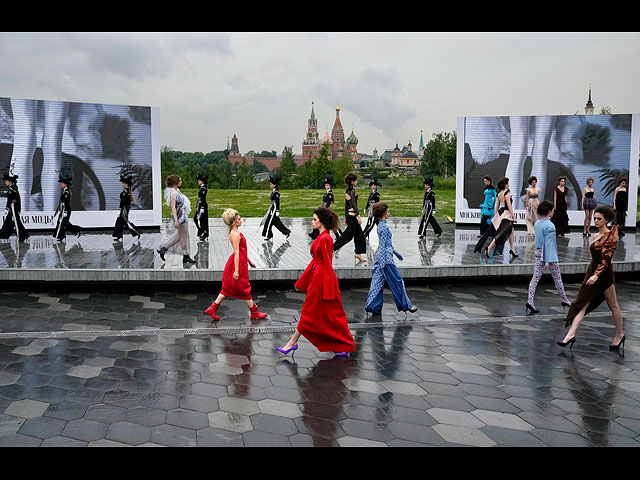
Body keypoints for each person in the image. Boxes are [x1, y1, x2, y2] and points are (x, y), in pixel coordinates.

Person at [276, 206, 355, 358]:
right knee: (323, 315)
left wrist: (327, 286)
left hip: (321, 280)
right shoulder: (323, 237)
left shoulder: (325, 239)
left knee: (313, 313)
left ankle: (292, 344)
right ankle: (338, 345)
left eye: (314, 220)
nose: (312, 222)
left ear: (322, 222)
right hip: (318, 277)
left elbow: (327, 263)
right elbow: (320, 263)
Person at [559, 205, 624, 351]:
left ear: (606, 220)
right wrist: (592, 274)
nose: (595, 221)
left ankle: (619, 335)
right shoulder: (595, 236)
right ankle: (570, 334)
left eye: (599, 219)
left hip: (604, 275)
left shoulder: (611, 236)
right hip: (592, 273)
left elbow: (605, 260)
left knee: (613, 306)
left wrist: (596, 275)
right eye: (594, 218)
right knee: (581, 303)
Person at [205, 208, 268, 321]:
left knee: (228, 289)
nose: (241, 220)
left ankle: (212, 308)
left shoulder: (236, 233)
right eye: (239, 219)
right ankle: (254, 312)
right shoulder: (234, 235)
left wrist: (249, 261)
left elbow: (241, 251)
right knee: (243, 288)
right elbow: (237, 252)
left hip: (240, 263)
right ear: (234, 222)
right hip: (237, 265)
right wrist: (236, 270)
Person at [364, 202, 418, 315]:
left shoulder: (380, 226)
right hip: (386, 260)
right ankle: (406, 305)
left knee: (377, 282)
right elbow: (384, 246)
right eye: (388, 211)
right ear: (383, 214)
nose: (389, 213)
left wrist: (395, 253)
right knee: (397, 281)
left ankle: (372, 306)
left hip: (381, 258)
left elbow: (385, 245)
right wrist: (385, 262)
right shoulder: (384, 228)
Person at [525, 200, 571, 314]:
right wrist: (547, 260)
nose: (554, 212)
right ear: (549, 211)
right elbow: (549, 244)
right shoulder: (550, 225)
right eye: (552, 210)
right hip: (549, 256)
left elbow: (540, 241)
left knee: (535, 279)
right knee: (557, 279)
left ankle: (530, 301)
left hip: (538, 253)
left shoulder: (537, 224)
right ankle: (564, 300)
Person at [157, 174, 196, 265]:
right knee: (184, 237)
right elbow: (173, 207)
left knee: (179, 237)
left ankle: (164, 249)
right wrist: (176, 220)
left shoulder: (176, 191)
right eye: (180, 181)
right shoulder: (174, 193)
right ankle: (185, 255)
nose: (181, 182)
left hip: (181, 216)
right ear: (175, 182)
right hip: (180, 217)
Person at [475, 177, 518, 259]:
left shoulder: (499, 194)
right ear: (505, 185)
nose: (509, 184)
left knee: (511, 230)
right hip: (506, 215)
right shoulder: (507, 194)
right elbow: (509, 206)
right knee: (500, 234)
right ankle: (489, 248)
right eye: (508, 183)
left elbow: (497, 207)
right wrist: (514, 216)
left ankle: (512, 249)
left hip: (501, 214)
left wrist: (496, 217)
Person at [333, 172, 366, 262]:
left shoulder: (348, 190)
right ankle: (332, 249)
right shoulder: (351, 191)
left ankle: (358, 253)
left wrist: (346, 217)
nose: (357, 182)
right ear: (352, 181)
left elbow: (346, 205)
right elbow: (353, 205)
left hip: (350, 217)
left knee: (359, 235)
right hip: (352, 217)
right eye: (356, 181)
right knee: (347, 236)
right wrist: (359, 216)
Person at [260, 173, 291, 241]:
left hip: (274, 210)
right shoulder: (273, 192)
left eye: (271, 184)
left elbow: (277, 202)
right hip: (272, 209)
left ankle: (269, 235)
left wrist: (277, 211)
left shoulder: (276, 193)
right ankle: (286, 232)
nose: (270, 185)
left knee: (269, 222)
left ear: (274, 185)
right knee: (276, 223)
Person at [0, 171, 29, 242]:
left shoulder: (12, 189)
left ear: (10, 182)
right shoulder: (13, 188)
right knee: (8, 222)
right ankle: (3, 235)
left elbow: (11, 200)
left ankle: (22, 236)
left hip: (13, 209)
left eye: (7, 181)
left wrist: (7, 208)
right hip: (13, 209)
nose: (5, 182)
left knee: (16, 223)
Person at [309, 172, 340, 240]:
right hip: (324, 209)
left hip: (326, 210)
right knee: (324, 222)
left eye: (327, 185)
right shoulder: (327, 193)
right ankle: (314, 234)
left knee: (326, 222)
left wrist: (323, 209)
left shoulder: (329, 194)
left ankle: (337, 235)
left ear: (330, 186)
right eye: (325, 185)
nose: (326, 186)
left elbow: (328, 203)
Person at [53, 171, 82, 241]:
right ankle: (63, 235)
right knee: (63, 223)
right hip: (63, 209)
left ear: (65, 184)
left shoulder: (66, 192)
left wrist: (64, 212)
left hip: (65, 210)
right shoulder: (65, 191)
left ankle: (76, 231)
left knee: (63, 223)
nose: (61, 184)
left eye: (62, 183)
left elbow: (65, 202)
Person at [112, 174, 141, 242]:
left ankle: (136, 232)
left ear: (126, 184)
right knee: (119, 222)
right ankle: (117, 235)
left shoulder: (125, 193)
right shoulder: (127, 191)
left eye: (123, 183)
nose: (122, 184)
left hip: (124, 210)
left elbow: (123, 202)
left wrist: (120, 210)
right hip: (124, 209)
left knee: (126, 223)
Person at [194, 171, 209, 241]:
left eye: (199, 180)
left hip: (202, 205)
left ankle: (204, 232)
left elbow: (203, 198)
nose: (198, 181)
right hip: (200, 205)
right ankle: (202, 231)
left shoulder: (203, 188)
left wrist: (202, 207)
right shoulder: (202, 187)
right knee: (198, 219)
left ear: (202, 181)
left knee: (202, 220)